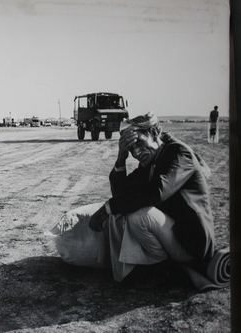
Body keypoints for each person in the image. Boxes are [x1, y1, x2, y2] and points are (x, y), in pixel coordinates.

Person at [51, 112, 216, 283]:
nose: (136, 152)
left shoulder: (179, 153)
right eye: (131, 149)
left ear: (154, 133)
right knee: (125, 210)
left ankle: (163, 269)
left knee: (139, 217)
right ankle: (154, 265)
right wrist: (121, 159)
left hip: (192, 245)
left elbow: (157, 192)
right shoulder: (153, 159)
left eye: (139, 143)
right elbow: (122, 194)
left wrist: (109, 207)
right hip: (176, 235)